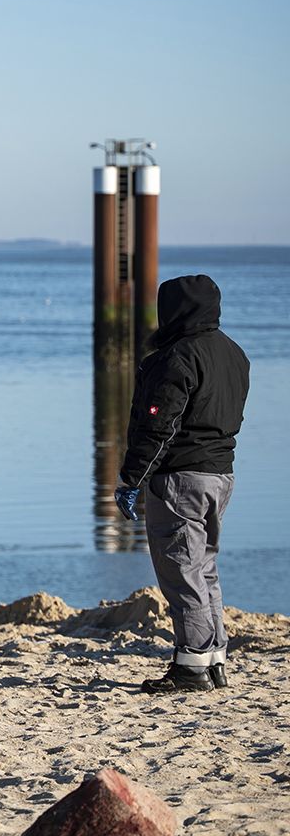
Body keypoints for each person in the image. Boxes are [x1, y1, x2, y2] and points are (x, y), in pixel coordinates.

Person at [114, 275, 250, 694]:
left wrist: (132, 478)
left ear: (173, 310)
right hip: (220, 475)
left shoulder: (177, 357)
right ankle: (213, 660)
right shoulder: (234, 354)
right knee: (204, 568)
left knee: (181, 572)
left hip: (180, 480)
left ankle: (191, 666)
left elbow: (160, 425)